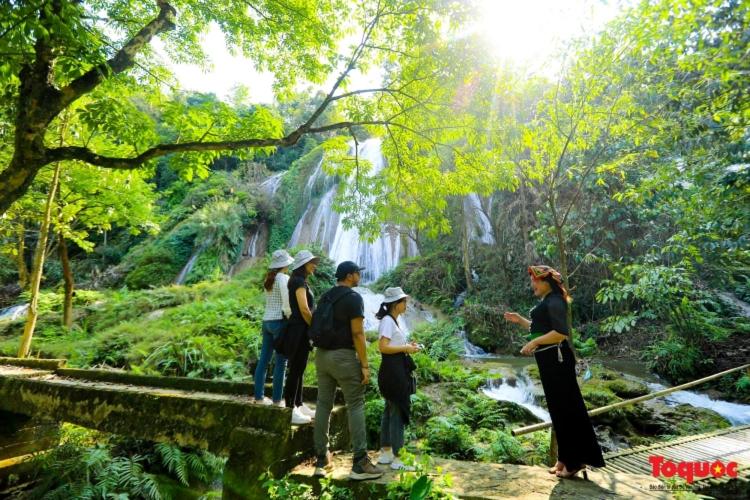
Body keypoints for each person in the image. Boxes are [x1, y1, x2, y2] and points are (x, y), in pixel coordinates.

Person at [503, 265, 605, 478]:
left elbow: (559, 333)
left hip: (557, 361)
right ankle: (565, 458)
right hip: (549, 362)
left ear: (544, 281)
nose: (532, 285)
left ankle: (576, 462)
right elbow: (540, 329)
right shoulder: (548, 302)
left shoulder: (556, 301)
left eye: (534, 281)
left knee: (568, 408)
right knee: (558, 410)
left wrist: (533, 344)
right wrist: (520, 320)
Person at [313, 261, 383, 480]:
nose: (359, 276)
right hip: (343, 356)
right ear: (350, 276)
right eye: (357, 274)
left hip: (321, 356)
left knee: (323, 404)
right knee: (356, 404)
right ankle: (360, 463)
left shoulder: (326, 296)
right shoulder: (353, 298)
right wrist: (364, 364)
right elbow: (358, 334)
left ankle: (321, 461)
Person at [375, 287, 420, 471]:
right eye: (404, 302)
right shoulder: (388, 321)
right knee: (398, 412)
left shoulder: (392, 320)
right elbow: (383, 347)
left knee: (390, 410)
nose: (406, 305)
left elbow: (392, 344)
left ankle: (386, 452)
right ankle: (398, 457)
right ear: (396, 304)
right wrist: (405, 349)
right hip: (393, 372)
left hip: (393, 370)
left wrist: (407, 346)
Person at [253, 249, 294, 406]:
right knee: (280, 362)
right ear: (285, 264)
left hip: (266, 321)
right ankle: (277, 400)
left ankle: (259, 397)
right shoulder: (283, 278)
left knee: (263, 360)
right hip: (279, 322)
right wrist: (290, 317)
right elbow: (286, 302)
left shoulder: (269, 278)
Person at [285, 249, 319, 425]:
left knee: (300, 367)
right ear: (304, 264)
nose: (314, 265)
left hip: (301, 329)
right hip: (299, 329)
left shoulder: (301, 281)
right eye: (312, 262)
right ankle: (290, 408)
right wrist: (315, 327)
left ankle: (299, 403)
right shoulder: (298, 282)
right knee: (296, 369)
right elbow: (304, 310)